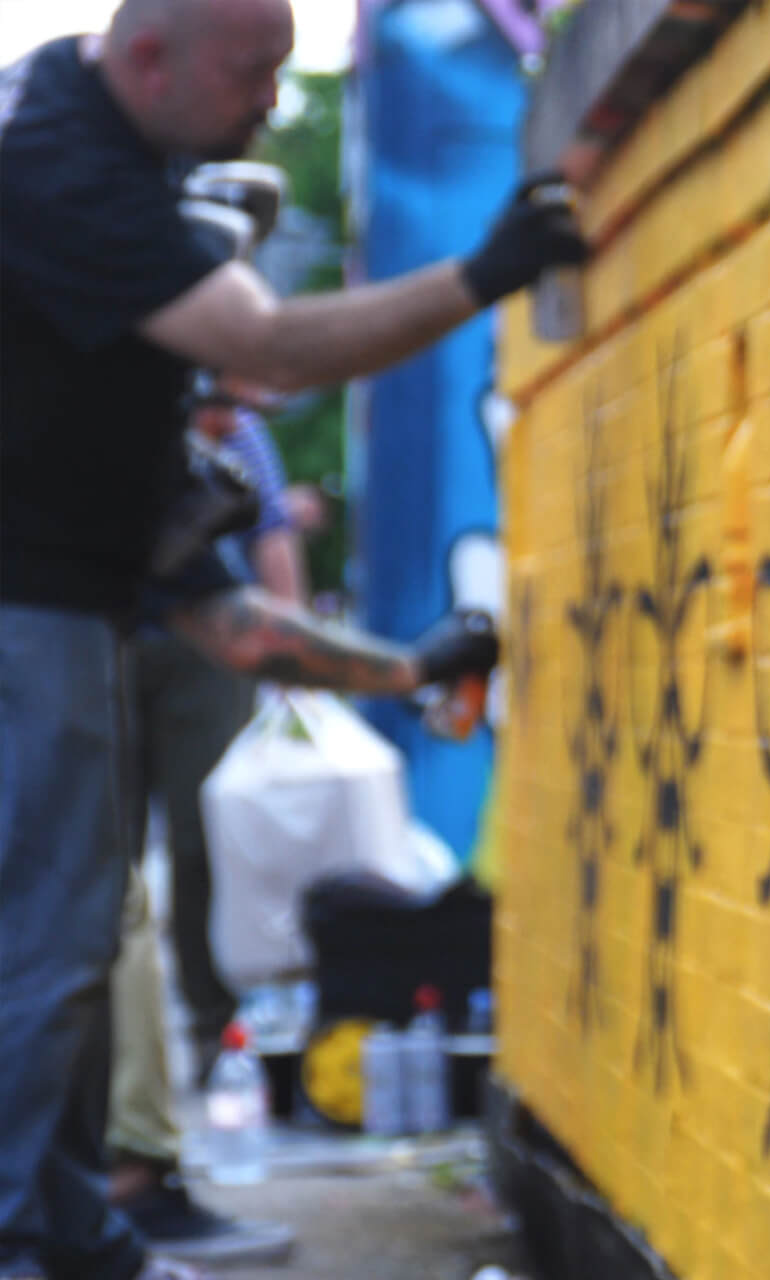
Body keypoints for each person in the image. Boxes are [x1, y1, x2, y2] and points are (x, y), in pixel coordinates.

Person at [0, 0, 586, 1276]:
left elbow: (236, 622)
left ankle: (65, 1227)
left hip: (58, 608)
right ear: (151, 58)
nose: (274, 96)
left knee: (75, 943)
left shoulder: (111, 393)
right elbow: (266, 343)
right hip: (22, 619)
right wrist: (486, 272)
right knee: (44, 946)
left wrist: (416, 667)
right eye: (256, 71)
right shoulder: (53, 159)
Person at [104, 375, 308, 1269]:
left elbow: (267, 554)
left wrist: (296, 658)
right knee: (105, 890)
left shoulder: (222, 444)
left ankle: (217, 1042)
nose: (235, 411)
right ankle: (123, 1175)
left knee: (186, 856)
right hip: (92, 648)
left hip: (179, 647)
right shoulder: (116, 394)